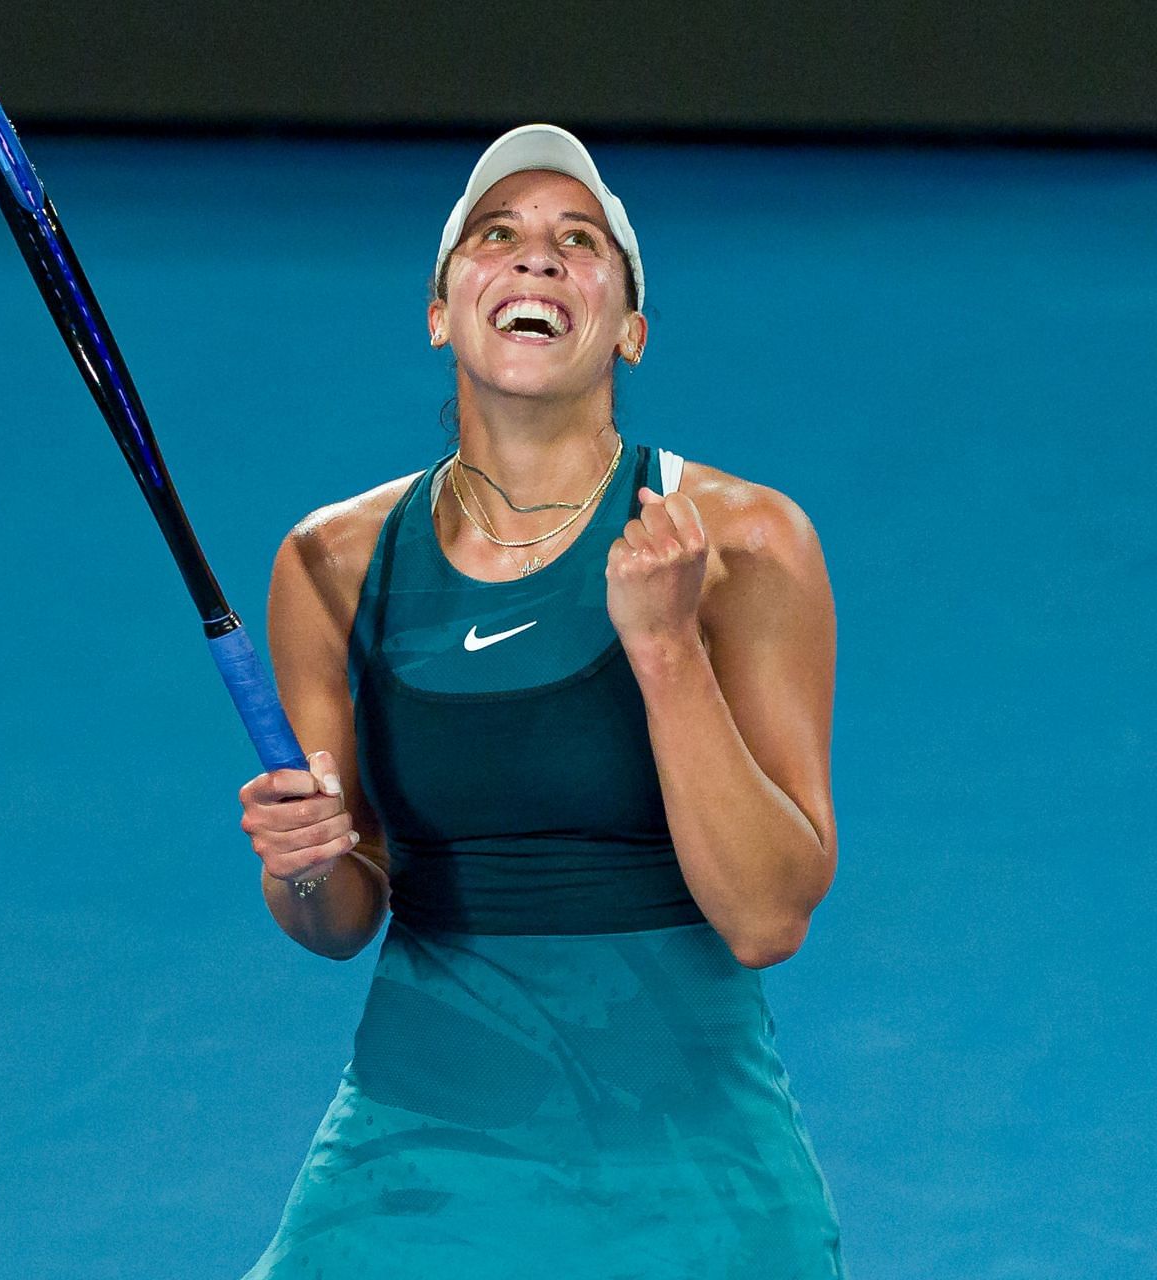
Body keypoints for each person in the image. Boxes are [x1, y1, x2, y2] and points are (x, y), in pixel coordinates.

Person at [235, 125, 846, 1278]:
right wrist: (303, 858)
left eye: (580, 242)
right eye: (496, 236)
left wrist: (666, 652)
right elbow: (339, 916)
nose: (536, 258)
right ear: (439, 310)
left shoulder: (747, 545)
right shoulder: (331, 564)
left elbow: (769, 915)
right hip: (414, 1154)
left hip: (690, 1161)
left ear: (630, 329)